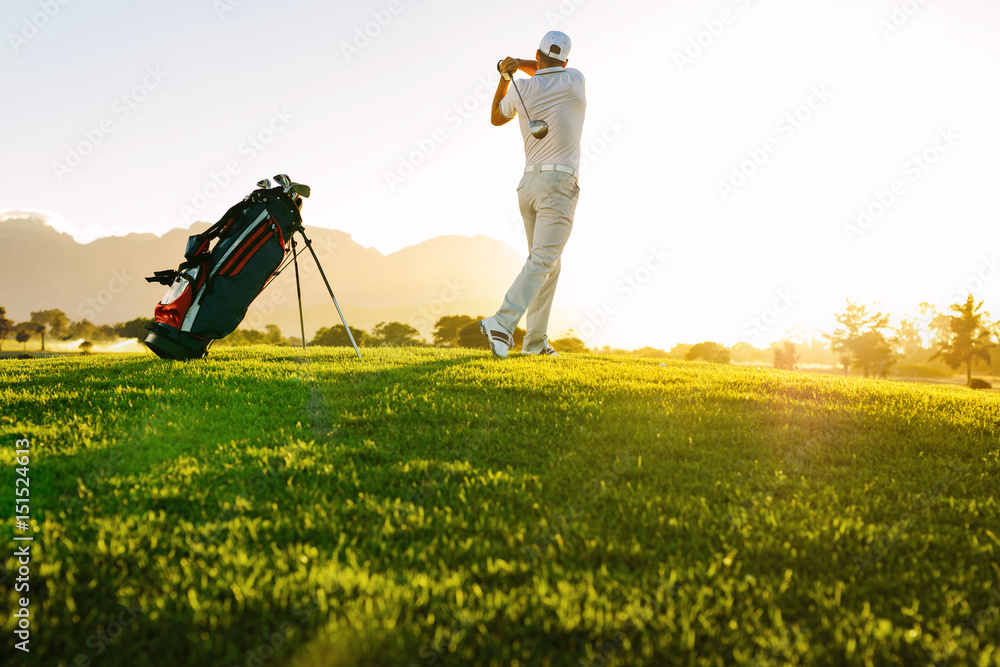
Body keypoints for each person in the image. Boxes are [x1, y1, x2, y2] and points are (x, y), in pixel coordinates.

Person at [479, 30, 586, 358]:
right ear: (566, 61)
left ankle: (536, 343)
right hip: (559, 187)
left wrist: (504, 75)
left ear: (537, 54)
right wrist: (517, 66)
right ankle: (503, 321)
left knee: (545, 264)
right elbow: (543, 66)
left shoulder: (520, 87)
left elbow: (497, 117)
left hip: (528, 188)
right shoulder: (575, 80)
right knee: (543, 261)